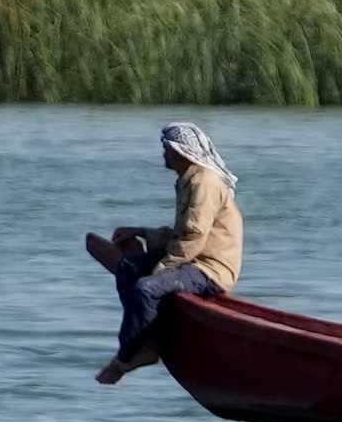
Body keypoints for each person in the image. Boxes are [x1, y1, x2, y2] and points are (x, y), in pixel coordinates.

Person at [83, 124, 244, 384]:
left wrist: (162, 269)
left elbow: (193, 236)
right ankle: (146, 335)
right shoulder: (189, 180)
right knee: (127, 269)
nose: (164, 154)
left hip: (210, 269)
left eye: (167, 148)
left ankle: (131, 356)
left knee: (146, 288)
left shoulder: (204, 183)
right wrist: (142, 232)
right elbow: (182, 234)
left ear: (182, 152)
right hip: (193, 258)